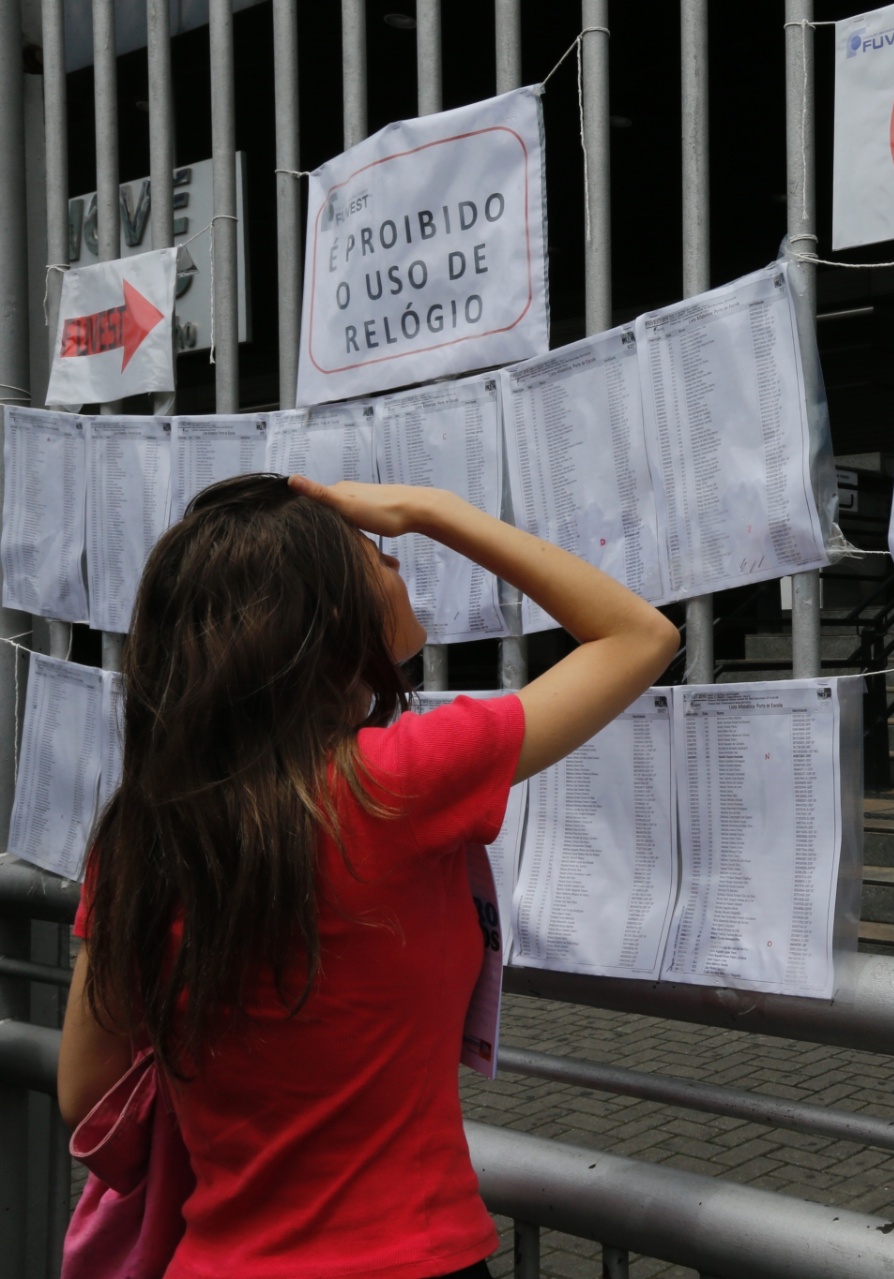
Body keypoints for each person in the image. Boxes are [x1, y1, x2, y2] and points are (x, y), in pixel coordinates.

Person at [55, 474, 679, 1279]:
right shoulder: (399, 782)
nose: (394, 559)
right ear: (325, 617)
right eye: (372, 553)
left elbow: (84, 1089)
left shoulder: (140, 832)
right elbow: (637, 636)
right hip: (409, 1259)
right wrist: (432, 509)